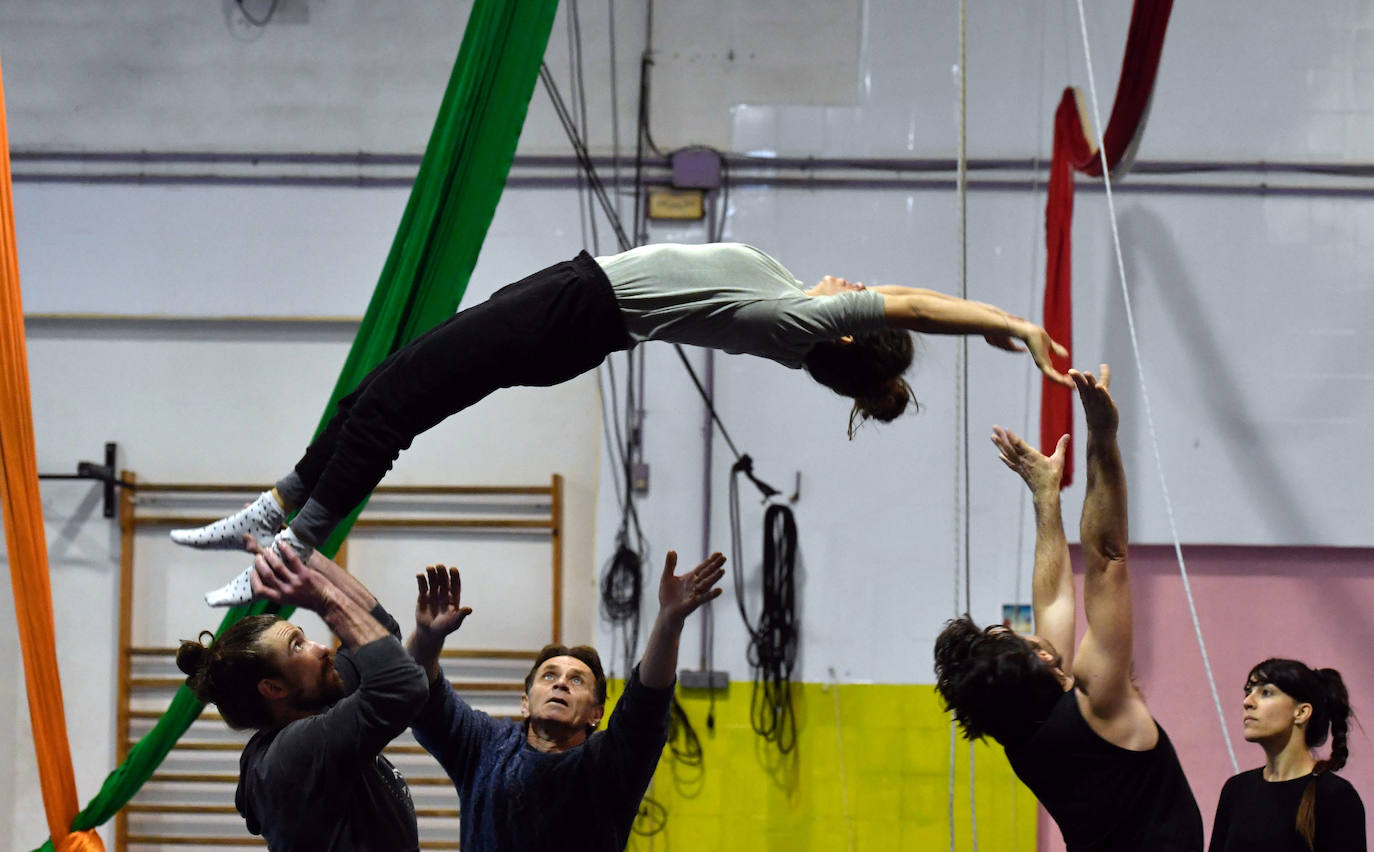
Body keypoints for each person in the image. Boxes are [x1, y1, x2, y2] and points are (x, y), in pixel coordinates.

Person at [167, 241, 1071, 605]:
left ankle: (291, 552)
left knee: (397, 406)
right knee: (378, 387)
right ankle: (277, 505)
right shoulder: (788, 291)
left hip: (575, 312)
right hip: (569, 291)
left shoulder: (798, 322)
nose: (854, 279)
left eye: (860, 299)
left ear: (852, 328)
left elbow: (909, 302)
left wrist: (1010, 322)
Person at [933, 365, 1219, 852]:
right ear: (1043, 655)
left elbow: (1056, 600)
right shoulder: (1100, 702)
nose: (1037, 632)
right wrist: (1103, 440)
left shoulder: (1023, 737)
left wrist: (1047, 498)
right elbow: (1108, 560)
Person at [403, 548, 724, 852]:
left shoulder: (607, 765)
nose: (561, 685)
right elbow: (422, 698)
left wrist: (668, 622)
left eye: (576, 680)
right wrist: (426, 640)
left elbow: (646, 704)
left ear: (596, 713)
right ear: (525, 702)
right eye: (549, 676)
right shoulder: (484, 748)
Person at [176, 541, 430, 852]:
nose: (320, 648)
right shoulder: (296, 752)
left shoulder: (311, 706)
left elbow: (378, 631)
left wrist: (304, 552)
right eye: (298, 646)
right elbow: (403, 687)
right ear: (273, 689)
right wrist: (326, 602)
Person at [1205, 658, 1367, 852]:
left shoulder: (1335, 797)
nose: (1247, 701)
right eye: (1248, 691)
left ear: (1301, 712)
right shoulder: (1236, 791)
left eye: (1266, 692)